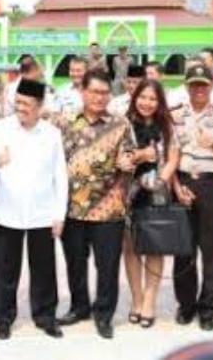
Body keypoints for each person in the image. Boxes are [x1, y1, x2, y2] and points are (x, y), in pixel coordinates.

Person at [0, 78, 67, 340]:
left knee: (43, 268)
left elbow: (60, 175)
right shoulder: (1, 128)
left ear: (40, 106)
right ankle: (4, 317)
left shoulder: (51, 133)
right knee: (6, 268)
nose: (21, 108)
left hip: (42, 212)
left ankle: (45, 316)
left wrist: (59, 214)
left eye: (27, 104)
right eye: (18, 102)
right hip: (8, 211)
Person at [54, 69, 136, 339]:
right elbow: (52, 160)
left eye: (104, 93)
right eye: (94, 92)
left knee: (107, 265)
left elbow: (129, 157)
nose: (99, 98)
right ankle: (79, 307)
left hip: (108, 208)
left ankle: (104, 313)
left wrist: (128, 163)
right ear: (83, 92)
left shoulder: (120, 124)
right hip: (72, 207)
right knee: (75, 262)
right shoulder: (65, 123)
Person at [171, 63, 213, 331]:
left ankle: (209, 307)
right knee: (183, 250)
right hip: (184, 182)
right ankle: (186, 305)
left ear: (211, 85)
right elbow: (169, 155)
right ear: (187, 86)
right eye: (194, 84)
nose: (199, 89)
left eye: (203, 84)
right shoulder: (174, 115)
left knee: (212, 250)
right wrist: (176, 186)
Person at [122, 79, 179, 328]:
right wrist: (139, 155)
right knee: (131, 247)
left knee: (155, 245)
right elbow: (119, 156)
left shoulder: (167, 126)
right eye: (142, 97)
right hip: (128, 192)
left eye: (153, 99)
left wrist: (161, 180)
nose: (147, 103)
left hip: (156, 192)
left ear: (160, 102)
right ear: (135, 98)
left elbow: (173, 156)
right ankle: (136, 299)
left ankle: (149, 301)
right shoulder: (124, 124)